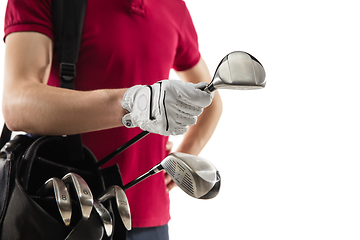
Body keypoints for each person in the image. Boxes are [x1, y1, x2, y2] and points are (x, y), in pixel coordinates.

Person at [2, 0, 222, 239]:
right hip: (67, 216)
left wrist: (184, 155)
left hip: (151, 218)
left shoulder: (173, 6)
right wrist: (134, 103)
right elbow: (16, 104)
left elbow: (210, 99)